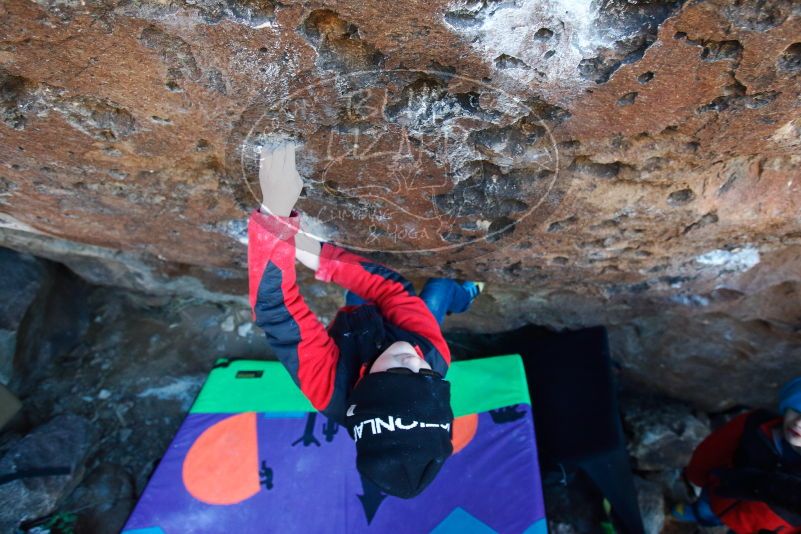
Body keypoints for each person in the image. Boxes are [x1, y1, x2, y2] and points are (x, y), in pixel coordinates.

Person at [247, 141, 482, 499]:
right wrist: (322, 259)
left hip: (363, 329)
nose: (412, 359)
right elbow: (392, 292)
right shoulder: (432, 353)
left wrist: (276, 214)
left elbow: (276, 311)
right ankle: (463, 297)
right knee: (438, 288)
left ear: (364, 392)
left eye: (401, 375)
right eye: (429, 378)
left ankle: (458, 296)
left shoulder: (329, 388)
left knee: (361, 299)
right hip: (394, 325)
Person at [671, 375, 801, 532]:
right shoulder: (755, 424)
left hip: (759, 527)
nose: (798, 422)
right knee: (707, 508)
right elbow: (713, 449)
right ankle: (702, 516)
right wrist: (697, 475)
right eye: (796, 409)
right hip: (720, 491)